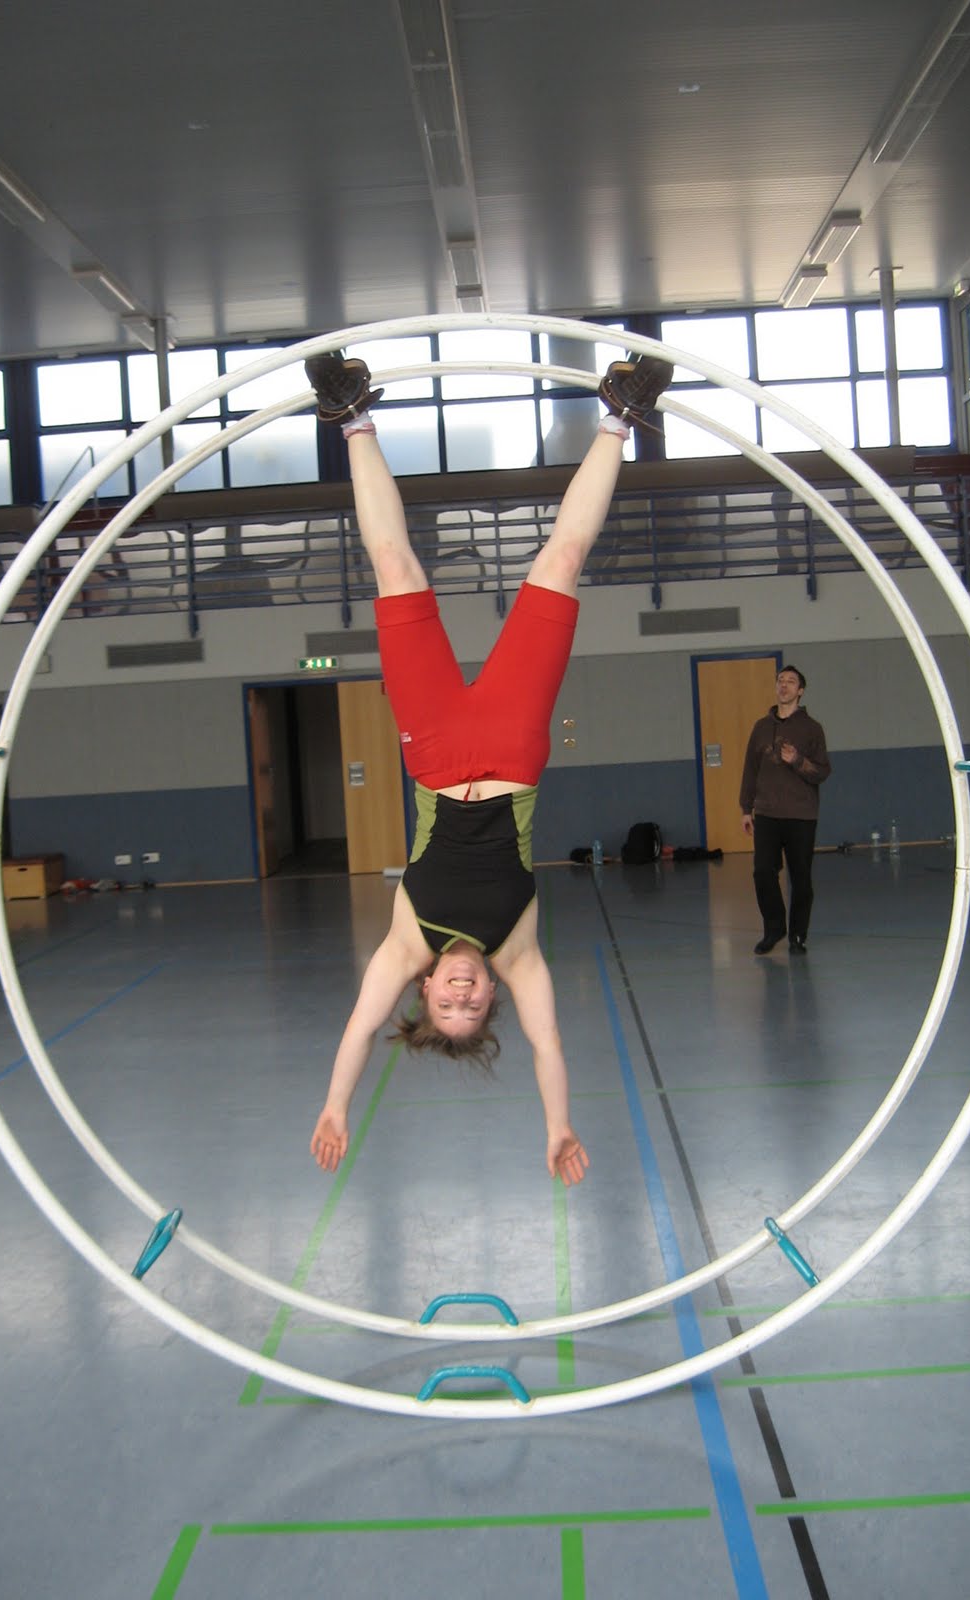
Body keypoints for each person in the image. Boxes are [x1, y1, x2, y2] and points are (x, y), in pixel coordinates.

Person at [306, 346, 672, 1186]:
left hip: (432, 750)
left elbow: (360, 1029)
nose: (462, 994)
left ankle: (351, 413)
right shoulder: (520, 955)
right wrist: (557, 1128)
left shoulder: (406, 946)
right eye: (473, 1006)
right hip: (512, 750)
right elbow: (548, 1044)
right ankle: (621, 413)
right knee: (560, 566)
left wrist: (336, 1105)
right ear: (491, 997)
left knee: (396, 573)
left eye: (447, 1003)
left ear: (428, 992)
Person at [739, 664, 831, 954]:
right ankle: (774, 928)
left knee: (801, 877)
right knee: (762, 872)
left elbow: (822, 772)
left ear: (800, 690)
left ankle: (798, 936)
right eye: (780, 680)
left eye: (791, 681)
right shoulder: (761, 727)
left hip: (801, 814)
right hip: (766, 812)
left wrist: (797, 760)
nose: (784, 685)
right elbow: (750, 769)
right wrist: (746, 808)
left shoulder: (812, 729)